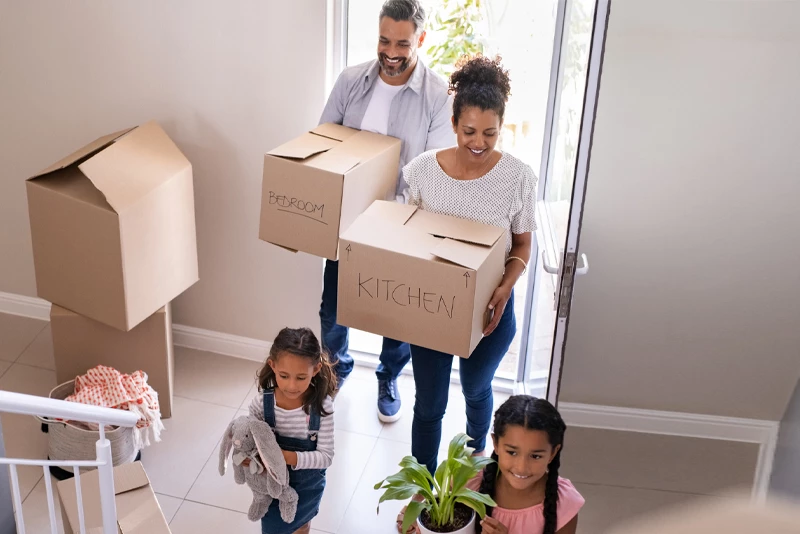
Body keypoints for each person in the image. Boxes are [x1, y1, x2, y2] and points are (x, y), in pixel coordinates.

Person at [318, 0, 455, 423]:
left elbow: (431, 171)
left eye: (402, 42)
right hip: (346, 220)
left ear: (421, 39)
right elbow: (323, 141)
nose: (390, 52)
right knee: (333, 306)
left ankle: (388, 375)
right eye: (383, 40)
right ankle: (334, 370)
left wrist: (390, 214)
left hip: (400, 223)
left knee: (395, 314)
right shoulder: (350, 81)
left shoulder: (437, 95)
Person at [403, 55, 536, 477]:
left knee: (478, 388)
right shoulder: (423, 170)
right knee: (429, 405)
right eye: (469, 131)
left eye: (490, 133)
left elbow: (522, 244)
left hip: (491, 310)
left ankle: (478, 455)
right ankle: (420, 488)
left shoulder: (519, 177)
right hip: (432, 309)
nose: (478, 142)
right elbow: (406, 238)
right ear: (454, 122)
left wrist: (505, 287)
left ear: (502, 127)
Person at [246, 327, 337, 534]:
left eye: (301, 377)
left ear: (315, 370)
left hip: (307, 488)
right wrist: (248, 457)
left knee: (302, 525)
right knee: (273, 529)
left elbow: (325, 457)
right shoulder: (261, 404)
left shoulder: (322, 407)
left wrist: (284, 457)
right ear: (273, 366)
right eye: (284, 376)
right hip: (272, 487)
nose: (292, 386)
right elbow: (250, 441)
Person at [470, 396, 584, 534]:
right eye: (512, 452)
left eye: (535, 456)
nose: (522, 467)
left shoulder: (564, 504)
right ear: (496, 444)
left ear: (553, 453)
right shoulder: (469, 487)